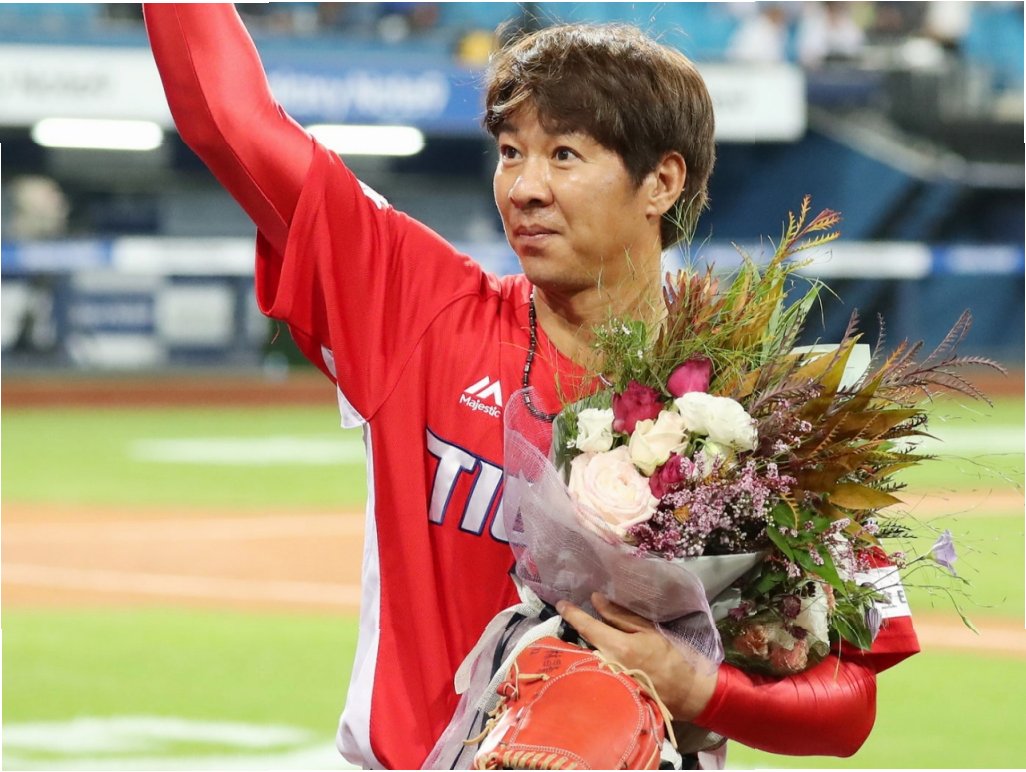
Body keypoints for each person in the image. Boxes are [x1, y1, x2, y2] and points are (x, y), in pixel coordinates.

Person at [144, 6, 919, 769]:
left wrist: (697, 687)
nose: (524, 187)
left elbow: (848, 706)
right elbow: (227, 118)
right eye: (511, 152)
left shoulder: (758, 401)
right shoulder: (418, 308)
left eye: (564, 155)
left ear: (662, 181)